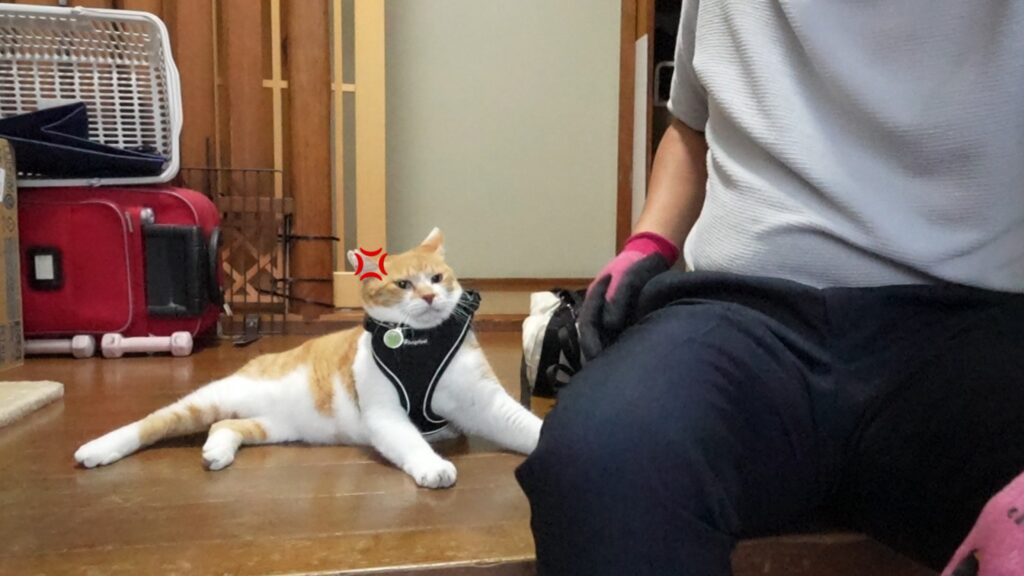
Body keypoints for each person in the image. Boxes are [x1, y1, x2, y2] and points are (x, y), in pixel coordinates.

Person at [515, 2, 1024, 575]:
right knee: (603, 454)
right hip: (742, 317)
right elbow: (690, 127)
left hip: (967, 334)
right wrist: (648, 242)